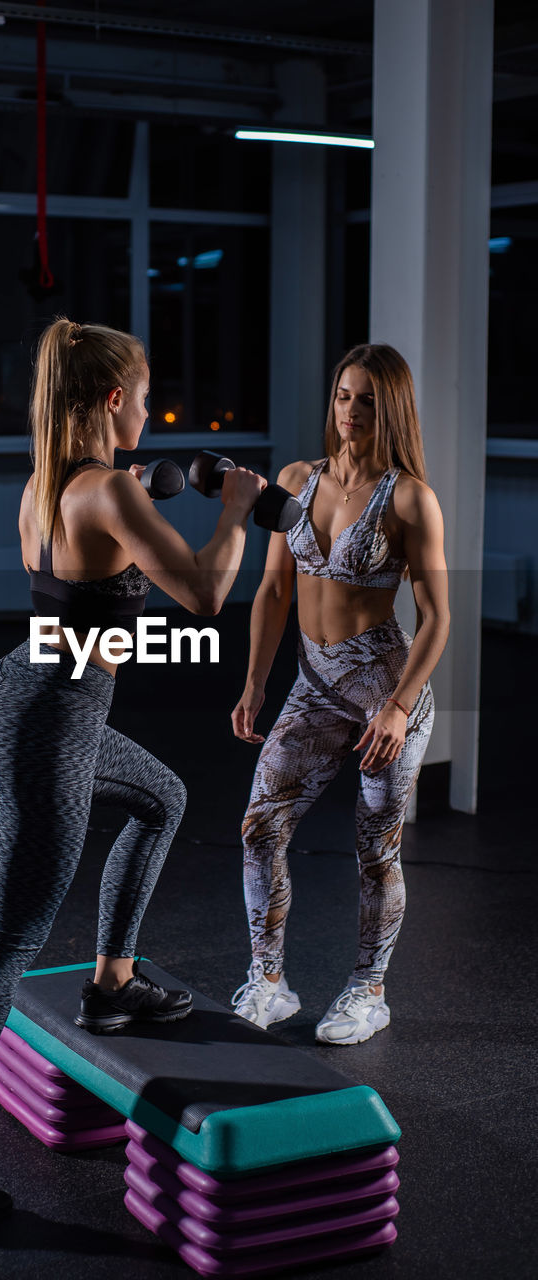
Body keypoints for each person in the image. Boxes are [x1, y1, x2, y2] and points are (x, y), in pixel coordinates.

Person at [0, 317, 266, 1223]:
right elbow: (209, 595)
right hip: (49, 724)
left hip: (8, 694)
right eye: (143, 394)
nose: (153, 406)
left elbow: (90, 554)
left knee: (161, 798)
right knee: (10, 943)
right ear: (110, 399)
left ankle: (110, 982)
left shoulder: (46, 484)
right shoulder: (107, 493)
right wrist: (234, 512)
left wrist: (136, 495)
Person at [229, 343, 449, 1047]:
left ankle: (367, 990)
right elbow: (271, 589)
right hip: (313, 682)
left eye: (366, 399)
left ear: (392, 409)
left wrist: (396, 707)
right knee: (260, 827)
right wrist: (256, 681)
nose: (349, 410)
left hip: (385, 691)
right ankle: (268, 981)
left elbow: (439, 616)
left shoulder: (409, 496)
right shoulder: (297, 479)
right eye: (343, 395)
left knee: (374, 848)